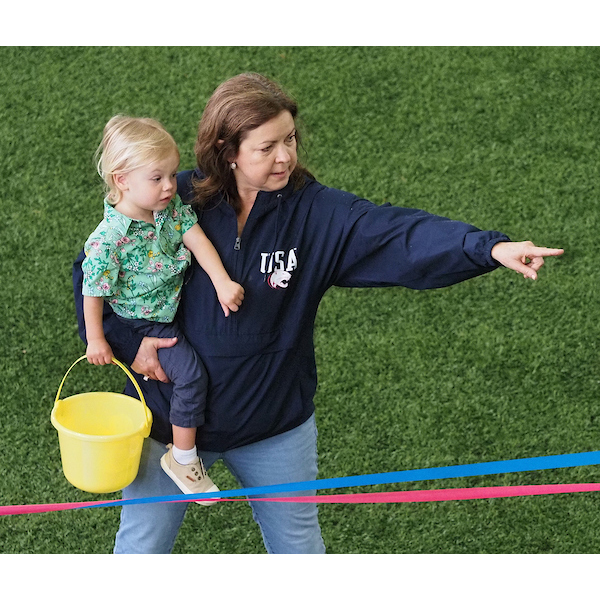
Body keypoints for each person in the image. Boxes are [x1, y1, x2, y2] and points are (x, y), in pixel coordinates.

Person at [73, 73, 564, 554]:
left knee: (299, 552)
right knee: (141, 549)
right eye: (266, 147)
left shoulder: (318, 214)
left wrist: (487, 248)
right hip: (165, 418)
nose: (285, 156)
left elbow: (398, 234)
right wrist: (127, 342)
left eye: (289, 139)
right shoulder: (171, 199)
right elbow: (92, 269)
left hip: (273, 427)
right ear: (228, 151)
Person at [81, 115, 244, 503]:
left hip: (166, 313)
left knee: (177, 376)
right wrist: (97, 338)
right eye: (157, 178)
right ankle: (183, 458)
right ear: (122, 180)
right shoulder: (109, 240)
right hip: (141, 325)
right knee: (189, 375)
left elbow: (198, 240)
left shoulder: (168, 212)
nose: (171, 185)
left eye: (172, 174)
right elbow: (92, 291)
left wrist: (222, 282)